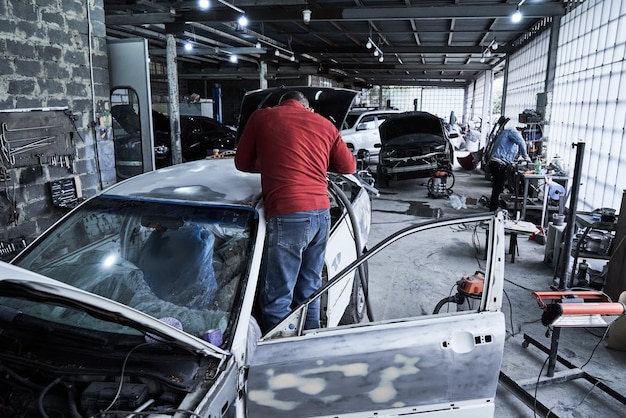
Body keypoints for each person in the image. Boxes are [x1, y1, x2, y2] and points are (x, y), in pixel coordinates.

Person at [234, 90, 356, 331]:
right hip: (322, 215)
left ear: (282, 103)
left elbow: (242, 163)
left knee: (277, 298)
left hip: (289, 215)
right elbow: (348, 166)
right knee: (309, 289)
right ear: (307, 107)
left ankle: (279, 358)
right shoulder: (324, 124)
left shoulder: (262, 117)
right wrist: (315, 161)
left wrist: (272, 162)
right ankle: (308, 343)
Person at [488, 125, 530, 211]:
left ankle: (494, 208)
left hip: (496, 162)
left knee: (498, 187)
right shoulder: (512, 131)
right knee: (498, 188)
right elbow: (521, 141)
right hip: (498, 163)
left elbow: (510, 152)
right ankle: (493, 210)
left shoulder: (506, 134)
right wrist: (526, 156)